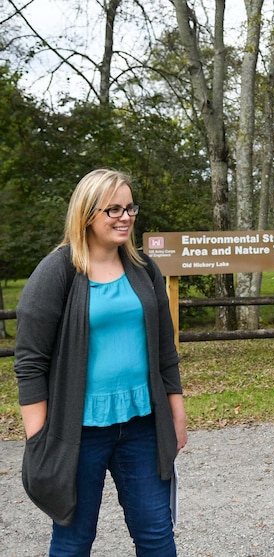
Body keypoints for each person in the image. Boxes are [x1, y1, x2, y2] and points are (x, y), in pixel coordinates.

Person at [14, 169, 187, 556]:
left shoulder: (144, 269)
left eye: (129, 208)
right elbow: (29, 363)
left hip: (141, 426)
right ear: (87, 213)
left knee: (157, 536)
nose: (125, 217)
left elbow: (164, 350)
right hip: (78, 433)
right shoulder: (58, 271)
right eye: (113, 209)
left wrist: (176, 413)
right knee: (74, 541)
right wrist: (40, 439)